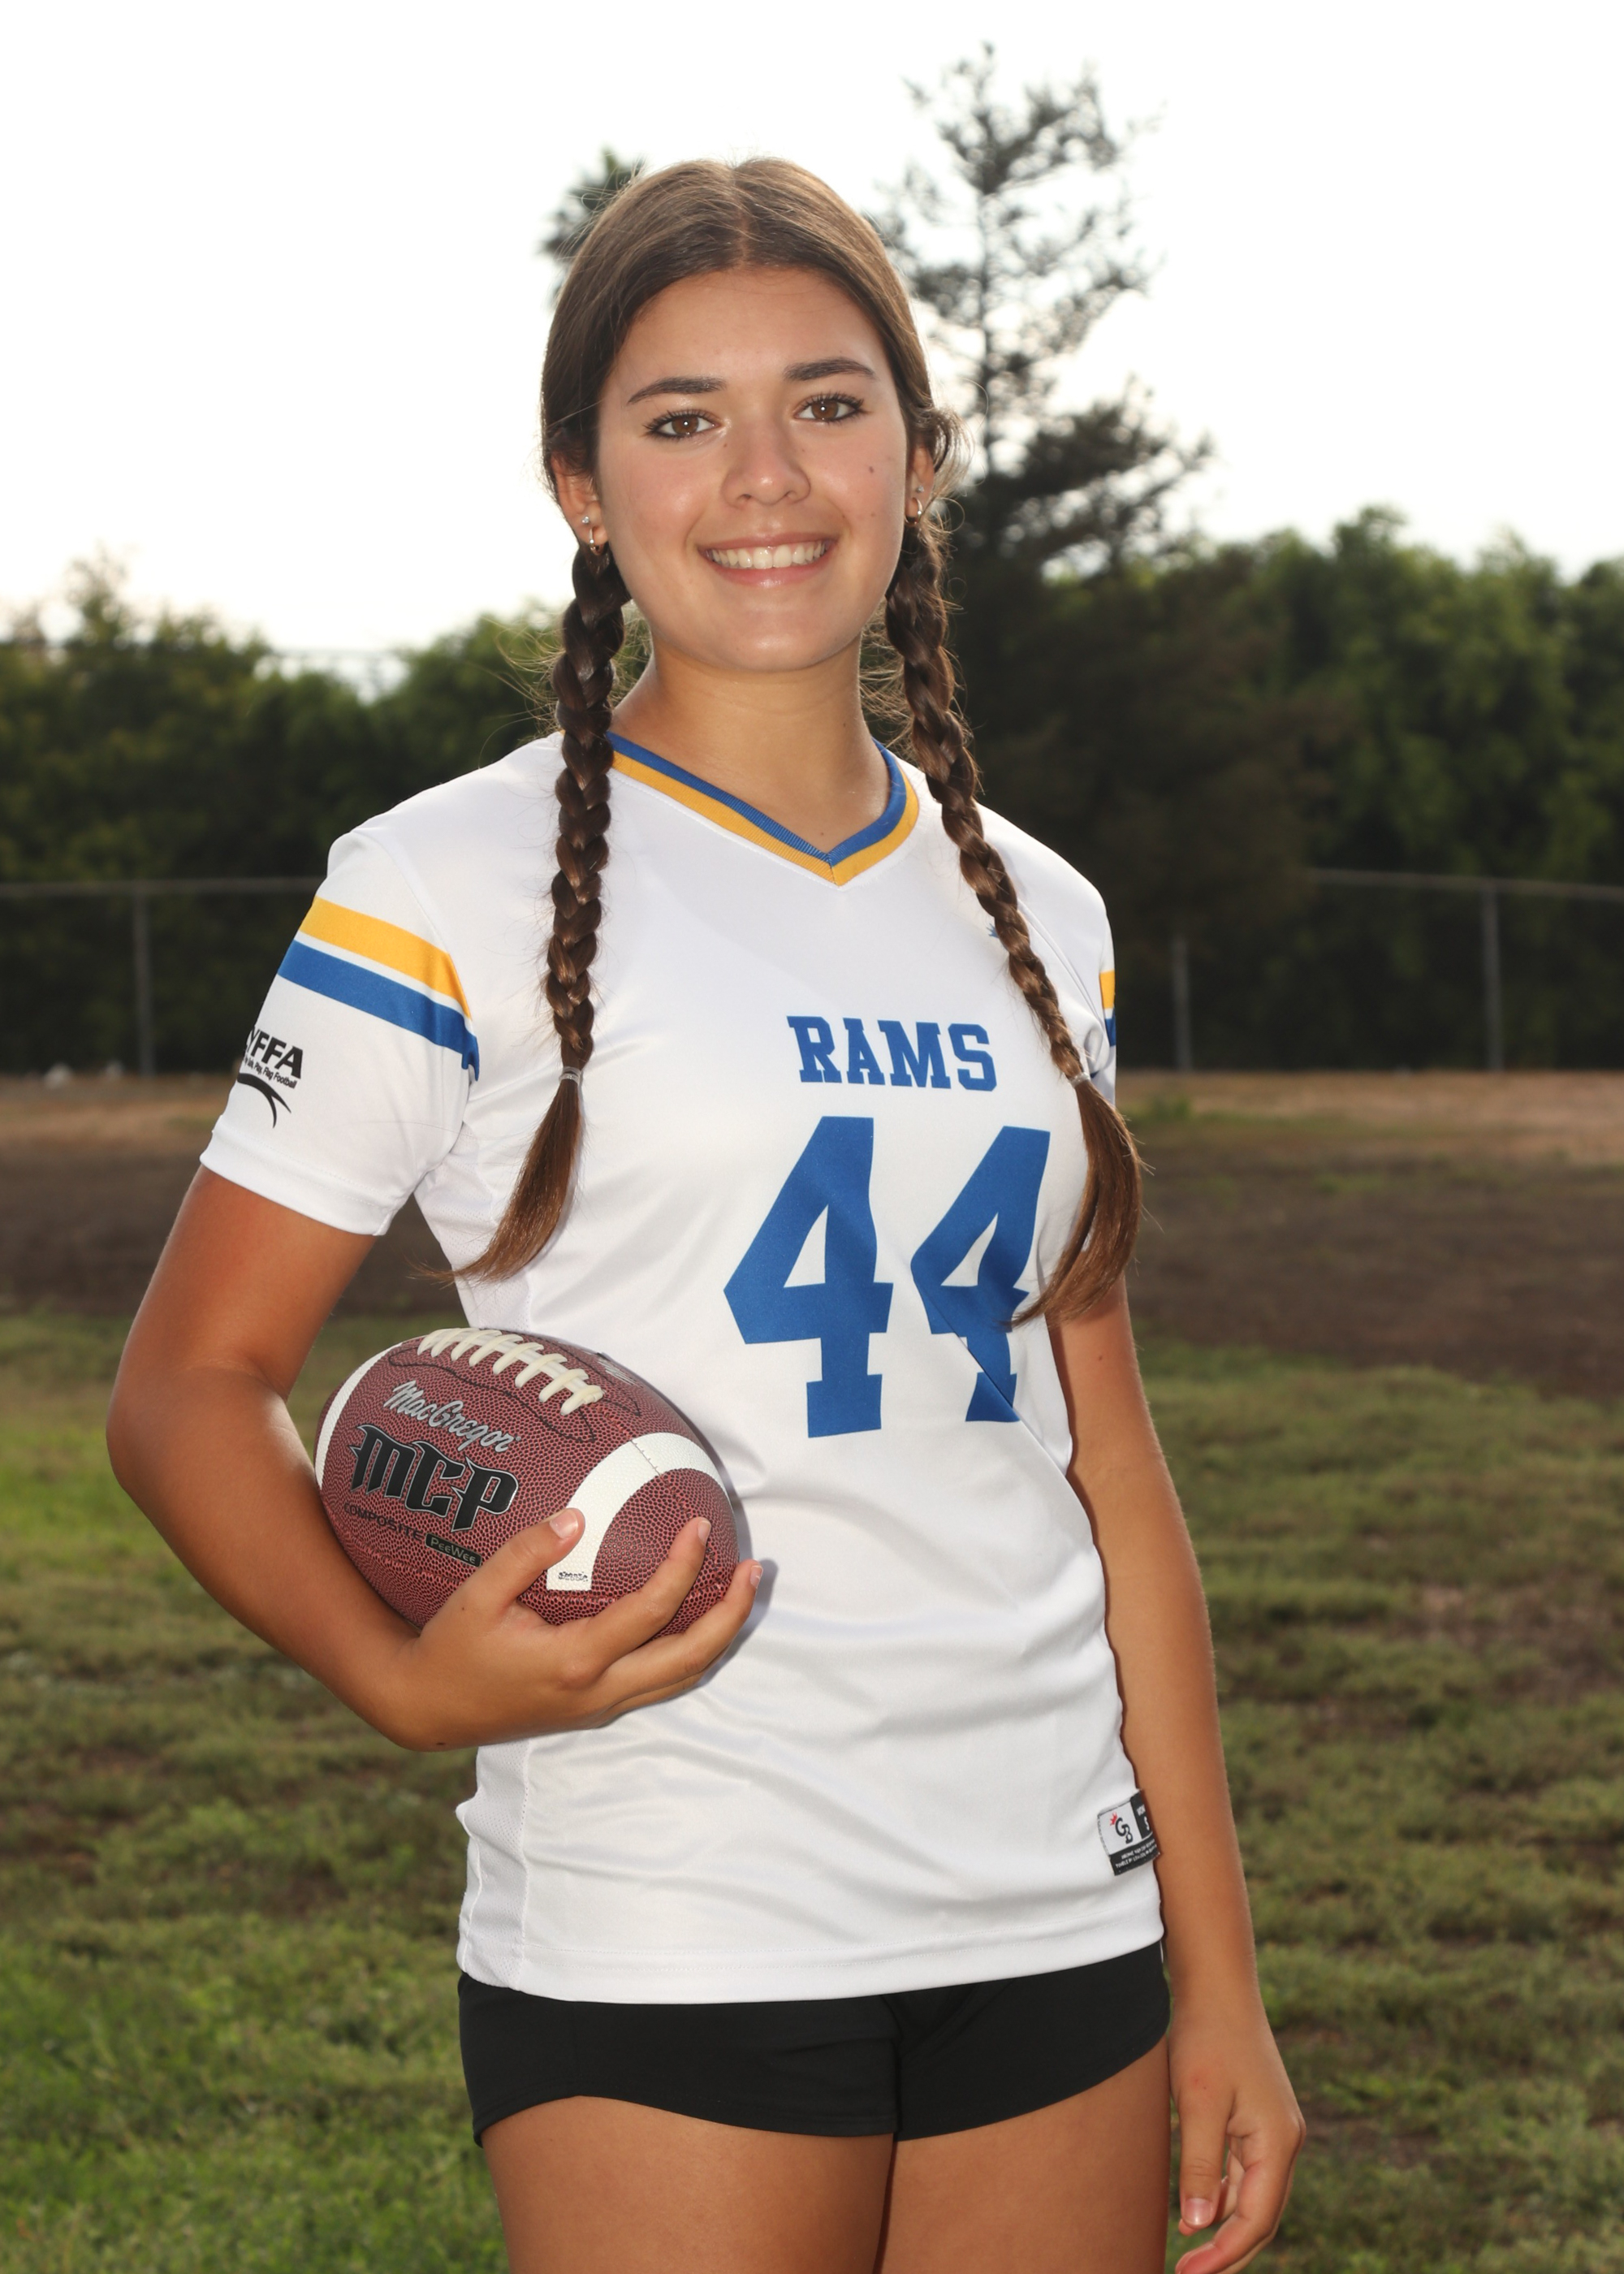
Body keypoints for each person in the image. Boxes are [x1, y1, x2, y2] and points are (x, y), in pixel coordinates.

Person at [107, 158, 1304, 2274]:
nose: (766, 475)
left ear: (921, 457)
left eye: (830, 404)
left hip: (1056, 1898)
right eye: (684, 419)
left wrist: (1215, 1973)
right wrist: (403, 1682)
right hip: (675, 1907)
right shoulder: (440, 885)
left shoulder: (1048, 913)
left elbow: (1106, 1464)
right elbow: (189, 1386)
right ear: (582, 485)